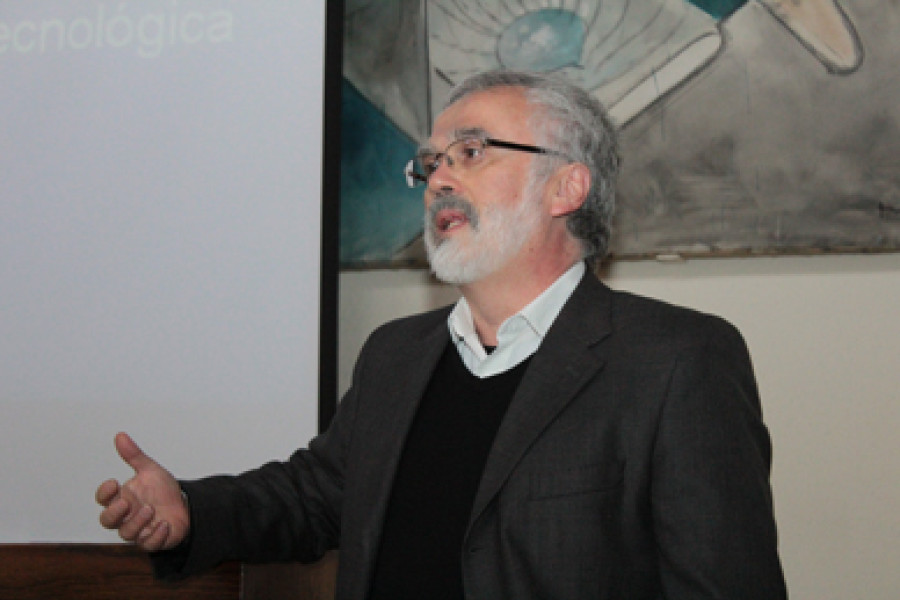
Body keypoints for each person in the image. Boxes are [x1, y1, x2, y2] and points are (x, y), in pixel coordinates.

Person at [97, 70, 788, 599]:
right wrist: (191, 509)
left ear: (566, 188)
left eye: (471, 151)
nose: (438, 179)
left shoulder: (675, 361)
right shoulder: (395, 354)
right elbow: (313, 497)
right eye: (432, 162)